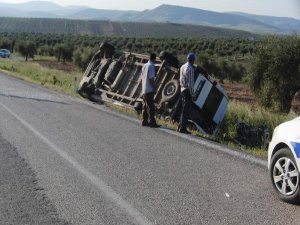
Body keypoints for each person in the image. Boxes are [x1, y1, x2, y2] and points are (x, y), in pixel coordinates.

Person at [177, 53, 196, 134]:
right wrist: (193, 95)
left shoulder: (183, 66)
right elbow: (191, 84)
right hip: (187, 91)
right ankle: (182, 128)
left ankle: (180, 126)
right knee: (186, 111)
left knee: (183, 110)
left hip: (182, 89)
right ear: (193, 60)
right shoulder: (190, 69)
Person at [141, 53, 160, 128]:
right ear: (154, 59)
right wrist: (155, 86)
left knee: (145, 106)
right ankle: (152, 122)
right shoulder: (151, 66)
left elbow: (143, 77)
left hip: (144, 89)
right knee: (151, 107)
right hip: (149, 89)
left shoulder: (145, 65)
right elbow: (151, 78)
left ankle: (144, 121)